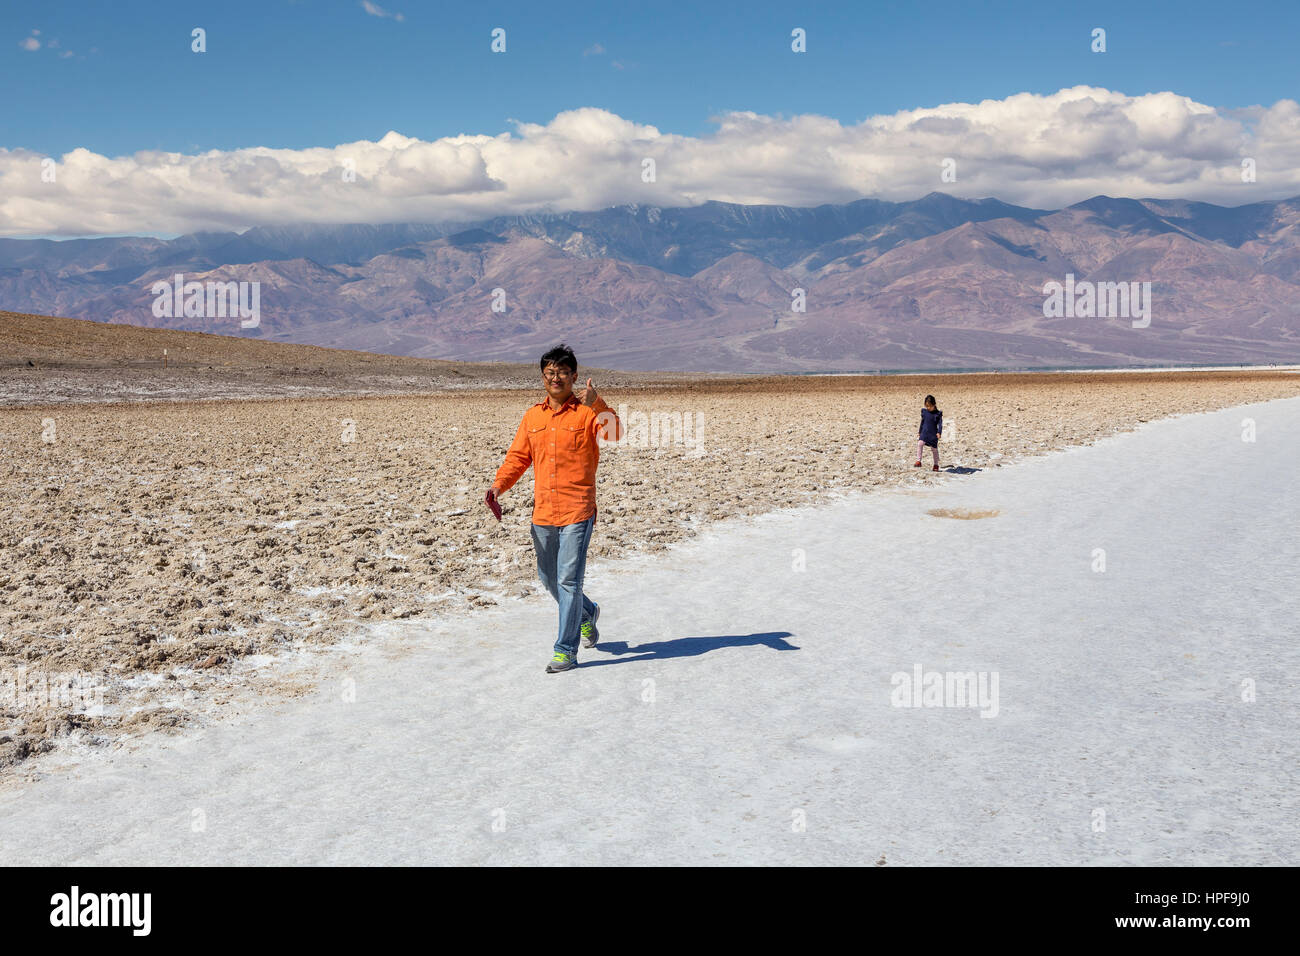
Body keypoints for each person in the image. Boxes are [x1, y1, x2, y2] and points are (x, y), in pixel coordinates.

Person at [486, 344, 622, 673]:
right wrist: (497, 486)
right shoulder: (533, 416)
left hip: (578, 510)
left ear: (574, 376)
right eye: (549, 372)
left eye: (562, 372)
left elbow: (616, 433)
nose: (555, 377)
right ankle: (586, 613)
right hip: (544, 513)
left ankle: (565, 651)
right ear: (543, 377)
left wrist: (598, 402)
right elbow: (518, 458)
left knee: (568, 582)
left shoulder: (588, 412)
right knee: (548, 579)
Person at [913, 394, 942, 472]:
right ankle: (918, 461)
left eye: (929, 406)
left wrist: (939, 432)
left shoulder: (937, 414)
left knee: (934, 450)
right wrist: (920, 431)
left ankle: (936, 465)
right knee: (920, 443)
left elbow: (940, 425)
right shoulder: (925, 412)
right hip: (924, 433)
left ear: (934, 404)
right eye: (926, 406)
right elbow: (922, 422)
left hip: (933, 434)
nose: (928, 408)